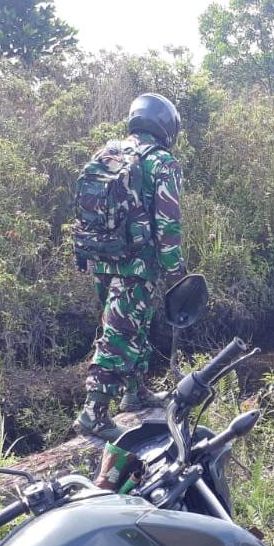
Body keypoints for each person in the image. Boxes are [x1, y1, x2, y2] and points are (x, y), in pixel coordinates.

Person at [73, 93, 186, 441]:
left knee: (125, 325)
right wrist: (175, 268)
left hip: (102, 257)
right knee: (119, 335)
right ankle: (93, 413)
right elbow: (168, 224)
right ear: (166, 126)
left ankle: (134, 392)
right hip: (137, 264)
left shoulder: (108, 153)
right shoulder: (162, 163)